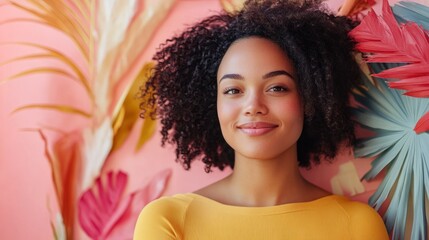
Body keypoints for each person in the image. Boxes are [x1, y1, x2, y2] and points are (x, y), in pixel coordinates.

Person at [134, 0, 389, 239]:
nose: (253, 106)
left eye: (277, 87)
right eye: (233, 90)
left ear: (311, 97)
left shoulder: (357, 226)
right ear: (214, 104)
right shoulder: (168, 221)